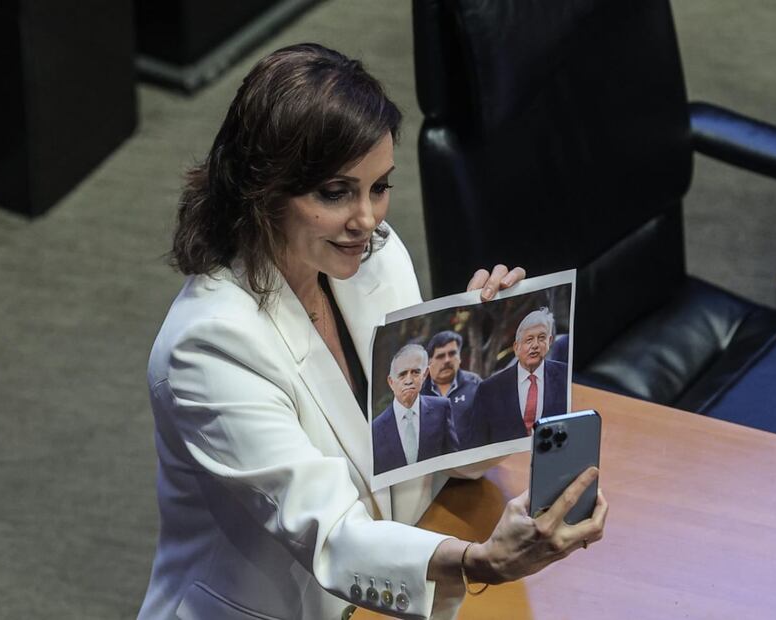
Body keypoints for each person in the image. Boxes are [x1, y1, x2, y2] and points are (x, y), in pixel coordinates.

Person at [139, 43, 606, 620]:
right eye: (336, 193)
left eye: (379, 187)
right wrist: (479, 561)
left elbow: (422, 458)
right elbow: (332, 532)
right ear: (262, 187)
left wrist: (481, 360)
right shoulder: (209, 347)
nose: (367, 220)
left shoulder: (375, 259)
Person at [457, 308, 569, 450]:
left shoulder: (565, 375)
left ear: (549, 341)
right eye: (529, 340)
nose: (535, 345)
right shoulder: (489, 389)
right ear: (516, 347)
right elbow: (477, 444)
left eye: (541, 338)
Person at [373, 344, 459, 475]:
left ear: (425, 375)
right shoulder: (376, 428)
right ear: (391, 382)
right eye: (402, 374)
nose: (409, 380)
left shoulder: (441, 409)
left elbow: (454, 459)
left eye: (415, 372)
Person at [421, 331, 482, 422]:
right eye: (440, 356)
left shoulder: (474, 384)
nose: (447, 360)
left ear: (459, 358)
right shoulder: (419, 392)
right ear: (429, 362)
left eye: (452, 354)